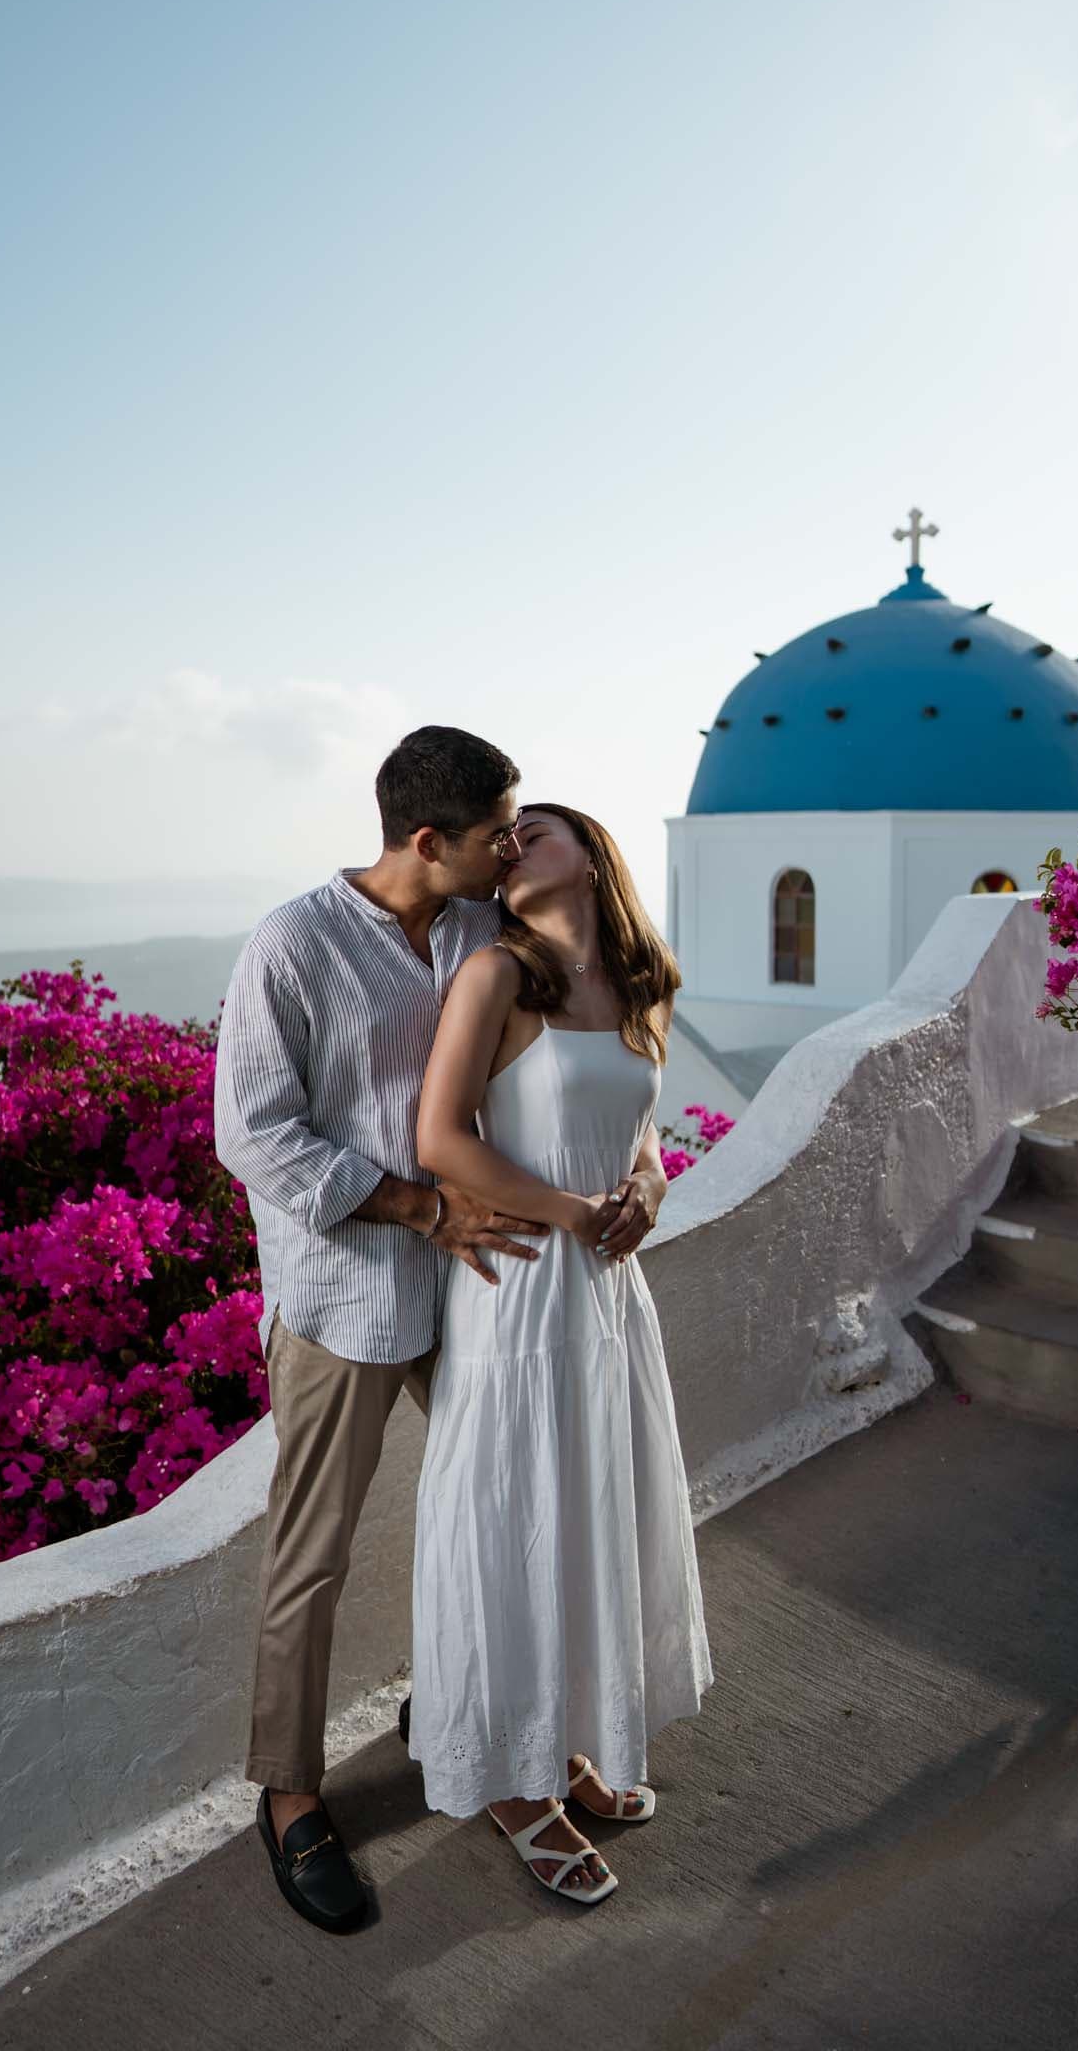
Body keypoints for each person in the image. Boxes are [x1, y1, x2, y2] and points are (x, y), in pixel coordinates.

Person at [214, 724, 552, 1934]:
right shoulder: (293, 945)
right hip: (345, 1298)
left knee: (492, 1510)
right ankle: (292, 1792)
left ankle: (459, 1710)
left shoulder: (478, 927)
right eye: (497, 830)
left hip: (467, 1289)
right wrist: (418, 1206)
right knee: (313, 1557)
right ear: (427, 841)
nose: (514, 844)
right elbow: (252, 1132)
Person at [409, 801, 714, 1904]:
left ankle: (567, 1745)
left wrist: (643, 1187)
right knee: (510, 1520)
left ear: (589, 854)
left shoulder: (646, 985)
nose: (511, 844)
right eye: (505, 835)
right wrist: (574, 1215)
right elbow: (439, 1140)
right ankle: (507, 1779)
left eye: (534, 829)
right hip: (521, 1286)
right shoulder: (495, 975)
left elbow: (644, 1137)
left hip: (608, 1292)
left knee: (590, 1518)